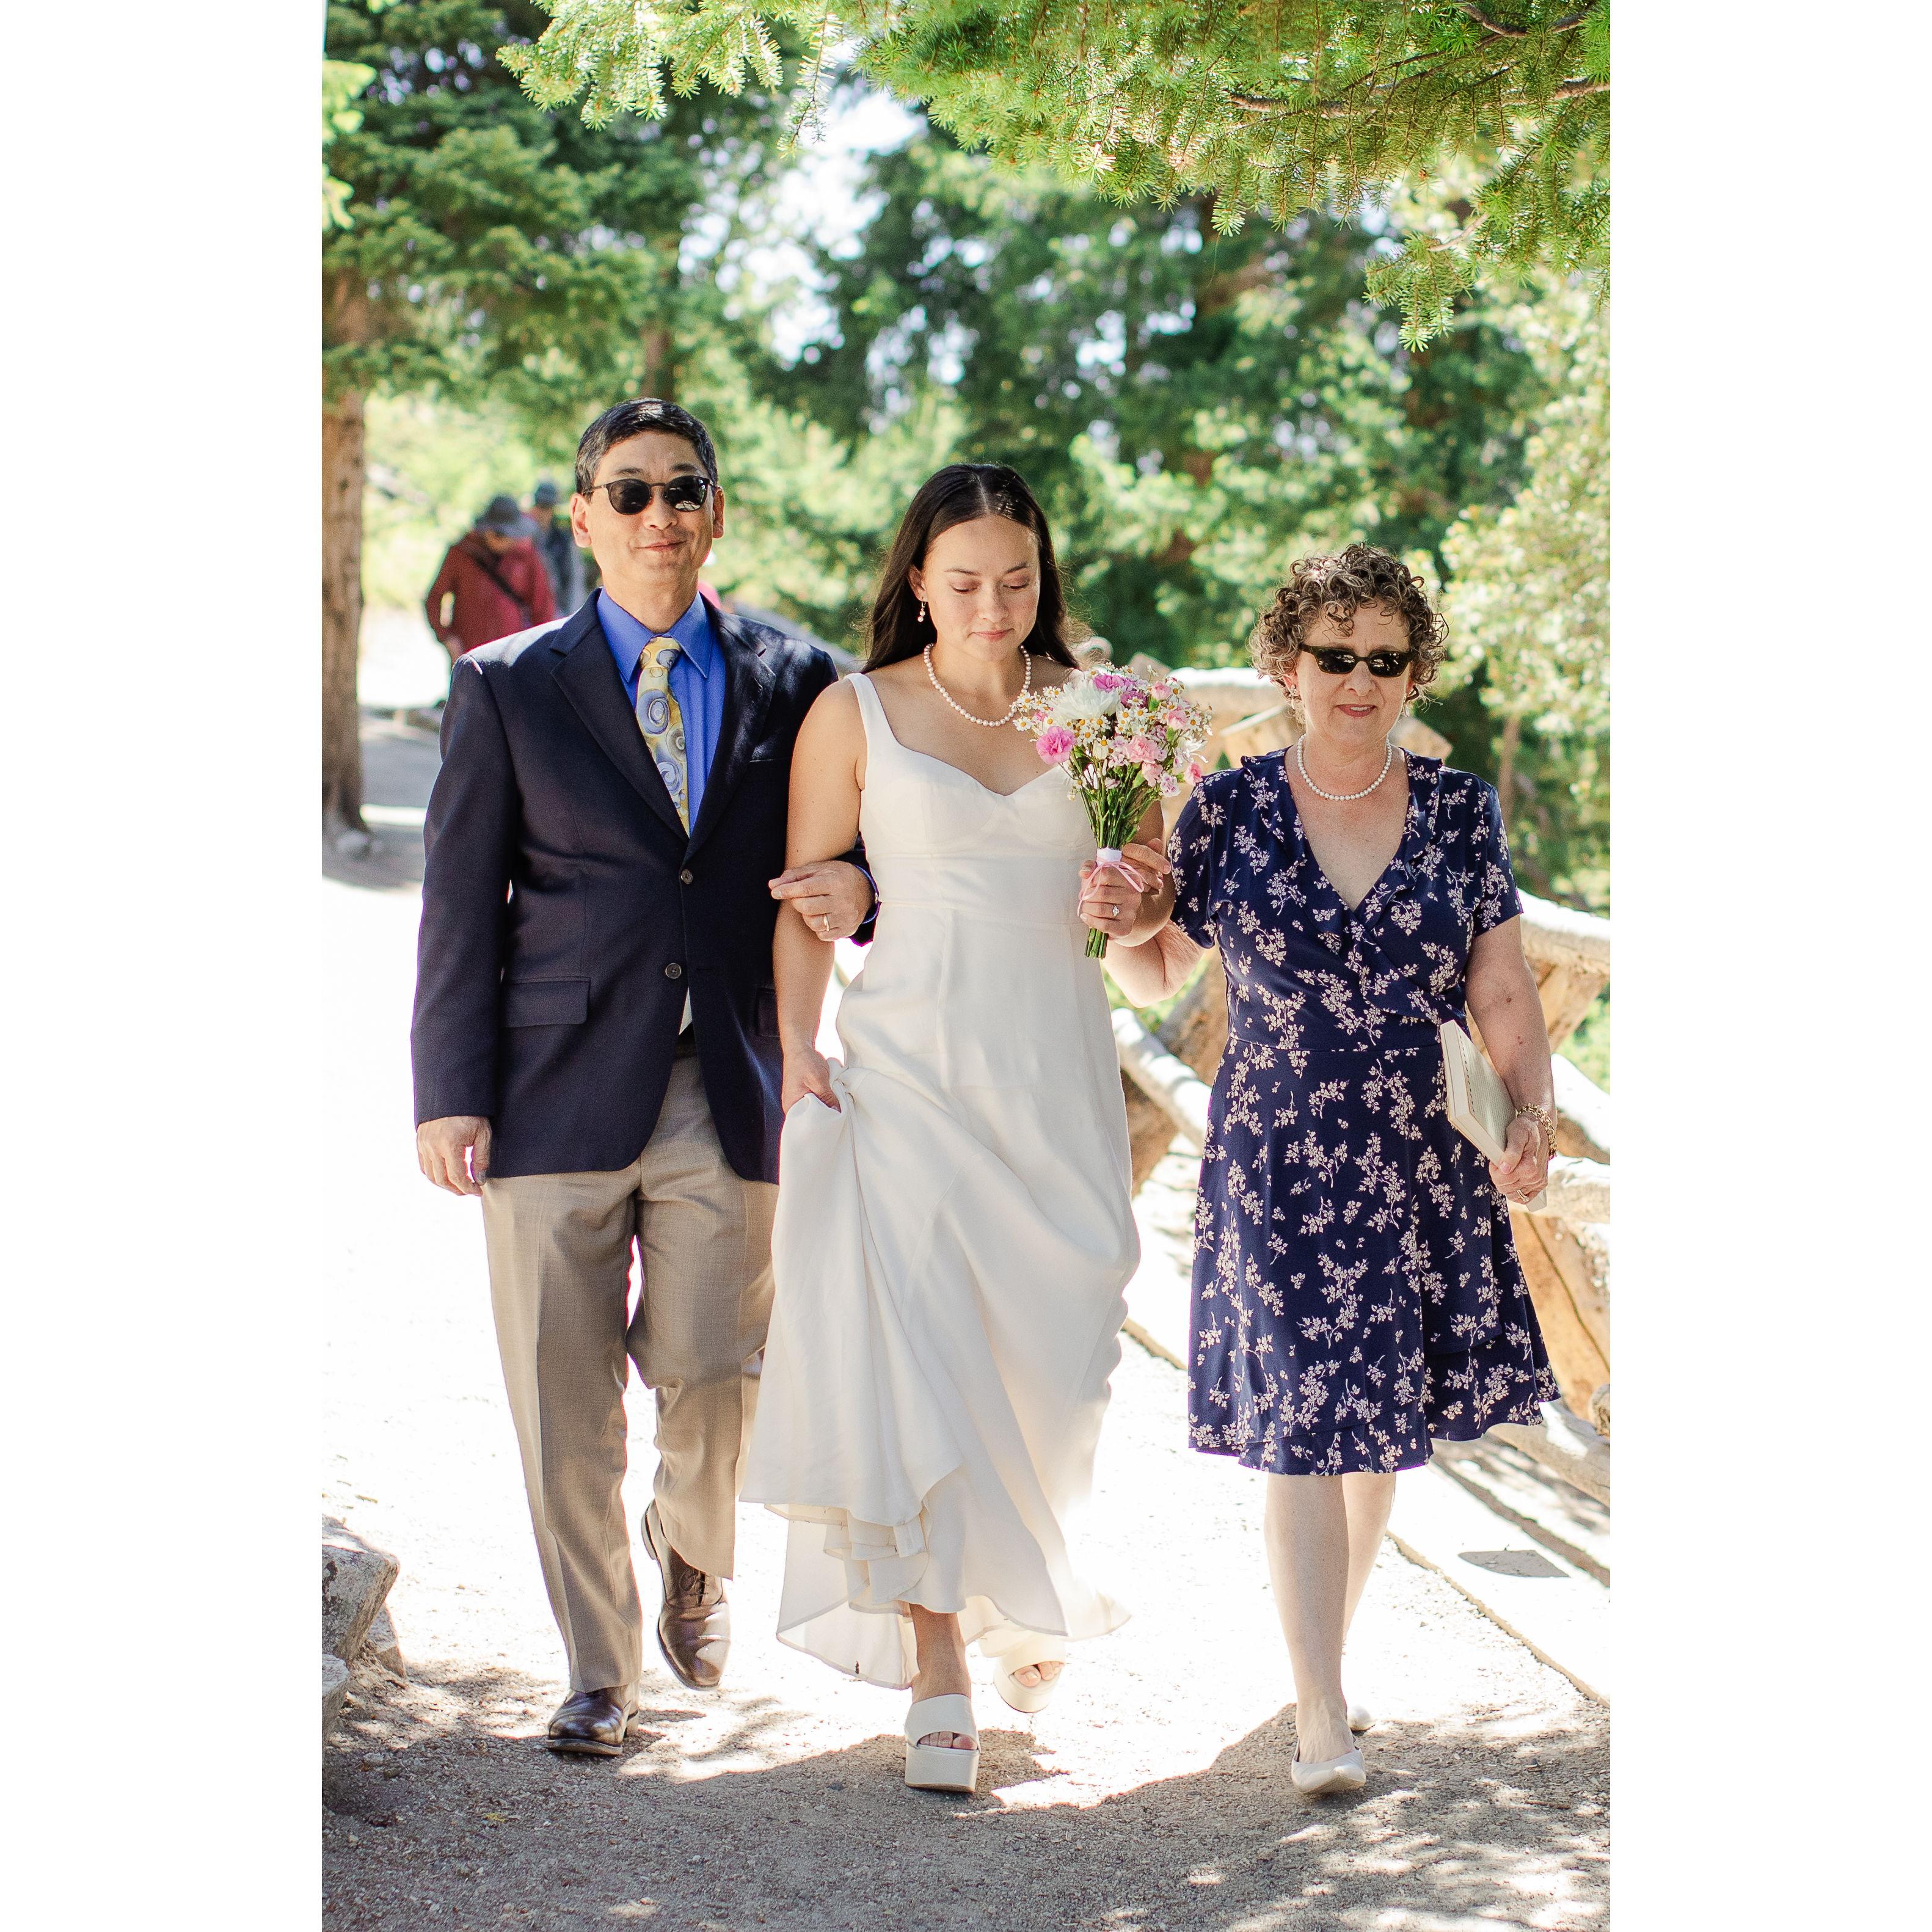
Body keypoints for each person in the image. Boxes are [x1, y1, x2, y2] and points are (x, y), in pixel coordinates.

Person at [410, 398, 879, 1759]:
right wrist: (449, 1089)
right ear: (585, 520)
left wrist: (864, 888)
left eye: (684, 489)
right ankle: (599, 1670)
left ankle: (693, 1545)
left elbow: (878, 847)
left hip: (726, 1079)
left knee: (717, 1375)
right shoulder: (506, 686)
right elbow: (459, 900)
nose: (659, 514)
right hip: (549, 1084)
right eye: (630, 494)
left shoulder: (802, 683)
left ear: (716, 510)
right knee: (563, 1399)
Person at [740, 465, 1170, 1797]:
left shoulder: (1104, 720)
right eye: (966, 581)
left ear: (1046, 580)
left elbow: (1150, 939)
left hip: (1056, 1083)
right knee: (918, 1354)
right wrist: (800, 1050)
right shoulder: (852, 714)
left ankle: (1021, 1582)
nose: (994, 606)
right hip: (910, 1076)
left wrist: (1132, 899)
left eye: (1018, 580)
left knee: (1064, 1363)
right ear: (918, 581)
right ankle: (939, 1664)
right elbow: (809, 897)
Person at [1105, 543, 1560, 1799]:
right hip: (1280, 1157)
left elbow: (1502, 983)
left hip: (1420, 1156)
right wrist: (1117, 912)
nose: (1357, 678)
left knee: (1378, 1442)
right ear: (1286, 665)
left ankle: (1327, 1664)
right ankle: (1320, 1713)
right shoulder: (1233, 808)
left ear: (1414, 671)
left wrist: (1531, 1113)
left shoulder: (1463, 811)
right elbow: (1155, 970)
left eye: (1384, 658)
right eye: (1332, 655)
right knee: (1306, 1426)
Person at [425, 494, 556, 663]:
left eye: (508, 535)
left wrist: (538, 653)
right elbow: (434, 599)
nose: (502, 540)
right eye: (497, 534)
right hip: (468, 656)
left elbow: (543, 608)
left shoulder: (527, 558)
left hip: (512, 658)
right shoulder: (461, 553)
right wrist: (447, 638)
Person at [528, 478, 588, 612]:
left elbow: (575, 581)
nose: (542, 512)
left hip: (558, 612)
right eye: (540, 505)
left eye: (547, 507)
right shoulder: (525, 539)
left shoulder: (564, 541)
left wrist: (570, 617)